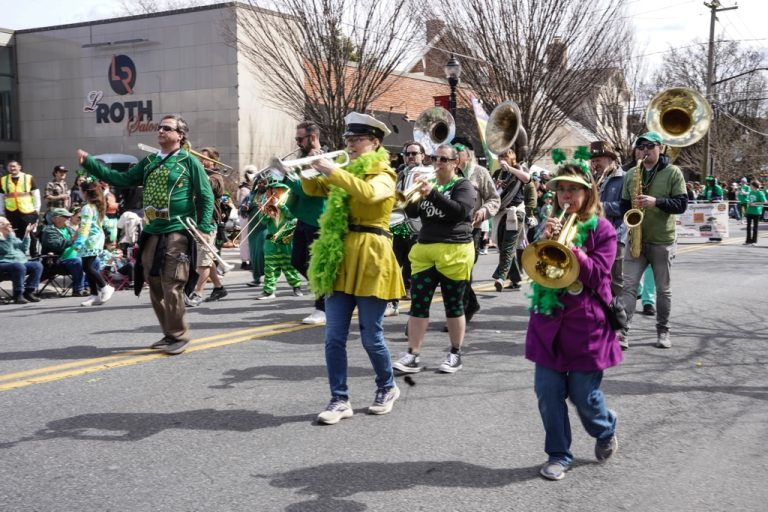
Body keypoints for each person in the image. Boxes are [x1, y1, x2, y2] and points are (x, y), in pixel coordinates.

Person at [77, 114, 215, 355]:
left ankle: (179, 335)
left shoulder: (189, 162)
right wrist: (90, 163)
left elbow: (205, 195)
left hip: (178, 229)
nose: (160, 131)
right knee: (153, 282)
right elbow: (120, 178)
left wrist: (204, 227)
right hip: (151, 230)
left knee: (172, 281)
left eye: (167, 128)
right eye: (159, 127)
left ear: (180, 135)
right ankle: (169, 332)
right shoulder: (150, 161)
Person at [303, 112, 404, 425]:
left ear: (374, 142)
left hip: (372, 255)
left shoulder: (385, 173)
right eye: (348, 139)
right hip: (340, 257)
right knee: (333, 337)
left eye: (357, 139)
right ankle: (339, 398)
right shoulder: (344, 170)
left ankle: (387, 386)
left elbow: (370, 194)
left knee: (370, 336)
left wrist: (332, 170)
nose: (350, 144)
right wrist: (310, 168)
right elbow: (312, 190)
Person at [525, 163, 621, 481]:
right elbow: (534, 269)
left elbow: (598, 274)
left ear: (587, 193)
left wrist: (573, 250)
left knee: (584, 396)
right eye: (561, 190)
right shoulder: (548, 223)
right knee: (548, 392)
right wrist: (543, 239)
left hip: (587, 324)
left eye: (573, 189)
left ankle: (604, 428)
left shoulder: (603, 230)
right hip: (549, 321)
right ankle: (558, 454)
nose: (566, 196)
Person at [392, 143, 476, 374]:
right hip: (426, 248)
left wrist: (433, 193)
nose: (437, 163)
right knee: (418, 304)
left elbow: (459, 211)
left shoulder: (463, 185)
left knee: (453, 305)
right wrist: (413, 194)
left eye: (443, 160)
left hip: (454, 250)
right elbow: (411, 213)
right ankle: (413, 354)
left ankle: (455, 353)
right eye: (434, 159)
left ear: (455, 163)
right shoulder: (428, 184)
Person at [619, 132, 688, 350]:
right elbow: (623, 206)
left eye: (650, 146)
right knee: (628, 287)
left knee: (662, 289)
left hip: (662, 240)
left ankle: (663, 330)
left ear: (660, 148)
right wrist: (631, 213)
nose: (645, 151)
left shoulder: (673, 172)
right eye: (640, 147)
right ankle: (622, 331)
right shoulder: (631, 173)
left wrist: (656, 202)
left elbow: (681, 204)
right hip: (636, 239)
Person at [286, 121, 328, 325]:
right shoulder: (303, 159)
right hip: (304, 218)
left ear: (312, 138)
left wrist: (286, 178)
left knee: (316, 264)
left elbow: (309, 191)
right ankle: (329, 294)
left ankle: (323, 307)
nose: (297, 143)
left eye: (300, 139)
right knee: (297, 261)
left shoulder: (322, 159)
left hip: (318, 218)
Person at [454, 140, 499, 321]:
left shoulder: (480, 173)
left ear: (468, 153)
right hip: (449, 229)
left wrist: (483, 211)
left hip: (472, 229)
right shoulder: (448, 172)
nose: (454, 155)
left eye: (458, 151)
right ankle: (471, 303)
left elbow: (494, 199)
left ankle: (460, 313)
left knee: (463, 271)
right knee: (453, 272)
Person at [386, 140, 429, 317]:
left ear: (422, 156)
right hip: (398, 223)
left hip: (417, 224)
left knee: (413, 264)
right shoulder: (399, 173)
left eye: (414, 153)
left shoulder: (428, 173)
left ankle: (409, 291)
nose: (410, 157)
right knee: (395, 262)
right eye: (407, 154)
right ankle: (392, 301)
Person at [187, 147, 228, 306]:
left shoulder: (217, 177)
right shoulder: (199, 174)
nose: (200, 161)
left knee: (203, 261)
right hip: (196, 222)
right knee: (206, 258)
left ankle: (198, 292)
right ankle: (218, 288)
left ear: (213, 161)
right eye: (198, 158)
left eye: (203, 158)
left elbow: (205, 185)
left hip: (208, 223)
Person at [254, 180, 303, 299]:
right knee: (270, 266)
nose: (274, 192)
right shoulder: (267, 203)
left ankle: (296, 286)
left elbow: (293, 216)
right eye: (272, 190)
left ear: (283, 190)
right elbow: (263, 222)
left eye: (277, 189)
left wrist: (280, 205)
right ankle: (269, 291)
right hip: (270, 238)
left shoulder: (289, 202)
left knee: (288, 264)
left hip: (286, 235)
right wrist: (265, 213)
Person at [491, 149, 531, 291]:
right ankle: (515, 279)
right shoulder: (497, 173)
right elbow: (492, 194)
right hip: (501, 212)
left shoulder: (519, 169)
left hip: (516, 213)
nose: (502, 158)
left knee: (508, 245)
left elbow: (527, 178)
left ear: (512, 157)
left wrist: (511, 169)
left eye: (505, 156)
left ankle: (501, 277)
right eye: (500, 156)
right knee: (503, 247)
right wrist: (496, 187)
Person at [590, 140, 626, 298]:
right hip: (594, 233)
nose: (595, 163)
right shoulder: (592, 180)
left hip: (616, 233)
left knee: (616, 277)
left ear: (610, 159)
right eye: (593, 160)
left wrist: (601, 206)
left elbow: (626, 207)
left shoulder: (624, 178)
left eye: (598, 160)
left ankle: (619, 312)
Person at [74, 180, 115, 307]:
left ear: (85, 192)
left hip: (90, 240)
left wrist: (79, 242)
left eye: (80, 190)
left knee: (87, 267)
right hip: (95, 239)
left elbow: (85, 226)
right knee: (87, 267)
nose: (79, 193)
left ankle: (105, 287)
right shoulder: (95, 206)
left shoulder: (87, 208)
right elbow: (106, 223)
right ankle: (94, 295)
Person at [40, 207, 89, 297]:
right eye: (66, 217)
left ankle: (87, 287)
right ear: (56, 218)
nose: (68, 218)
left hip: (74, 257)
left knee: (94, 260)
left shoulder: (68, 229)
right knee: (77, 261)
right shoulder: (49, 230)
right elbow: (57, 246)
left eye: (69, 216)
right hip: (58, 260)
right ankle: (78, 289)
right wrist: (73, 238)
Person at [0, 160, 41, 257]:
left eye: (14, 166)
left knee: (30, 233)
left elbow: (36, 195)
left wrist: (37, 210)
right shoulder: (3, 180)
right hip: (11, 212)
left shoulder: (28, 178)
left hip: (28, 212)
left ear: (19, 167)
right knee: (14, 234)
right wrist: (1, 212)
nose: (12, 168)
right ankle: (18, 255)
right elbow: (1, 197)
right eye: (10, 166)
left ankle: (34, 255)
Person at [0, 215, 43, 304]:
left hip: (17, 262)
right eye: (7, 224)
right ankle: (18, 294)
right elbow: (6, 249)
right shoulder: (6, 237)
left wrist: (27, 233)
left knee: (37, 265)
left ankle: (28, 292)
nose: (10, 226)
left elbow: (23, 248)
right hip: (4, 262)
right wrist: (6, 235)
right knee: (18, 266)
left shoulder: (10, 235)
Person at [237, 165, 257, 270]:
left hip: (250, 215)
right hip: (245, 215)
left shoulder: (250, 188)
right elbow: (243, 204)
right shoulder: (244, 189)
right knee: (245, 238)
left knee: (249, 238)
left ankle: (249, 259)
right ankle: (245, 260)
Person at [743, 180, 765, 246]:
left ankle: (754, 241)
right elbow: (748, 199)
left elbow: (764, 202)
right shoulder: (751, 192)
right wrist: (748, 202)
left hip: (756, 212)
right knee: (748, 227)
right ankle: (748, 241)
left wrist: (755, 203)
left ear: (754, 186)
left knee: (755, 227)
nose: (750, 187)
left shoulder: (760, 193)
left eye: (751, 185)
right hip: (749, 211)